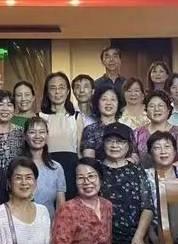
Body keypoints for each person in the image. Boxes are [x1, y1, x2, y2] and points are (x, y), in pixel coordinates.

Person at [40, 72, 83, 200]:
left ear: (68, 91)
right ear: (47, 92)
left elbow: (80, 151)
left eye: (61, 87)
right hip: (46, 166)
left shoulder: (76, 117)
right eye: (53, 88)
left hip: (71, 168)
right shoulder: (40, 117)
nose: (57, 92)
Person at [134, 90, 178, 169]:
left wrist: (160, 171)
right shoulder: (137, 133)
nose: (156, 109)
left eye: (160, 105)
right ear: (146, 111)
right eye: (152, 106)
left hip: (172, 175)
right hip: (143, 175)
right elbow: (134, 158)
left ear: (168, 110)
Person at [24, 116, 66, 219]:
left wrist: (57, 225)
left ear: (47, 135)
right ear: (24, 136)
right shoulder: (18, 166)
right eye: (32, 132)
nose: (37, 136)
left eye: (42, 132)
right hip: (23, 221)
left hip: (49, 221)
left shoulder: (56, 168)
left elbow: (60, 202)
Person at [81, 83, 132, 160]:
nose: (108, 103)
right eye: (104, 99)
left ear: (119, 104)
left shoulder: (127, 130)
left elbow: (134, 157)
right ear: (97, 103)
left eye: (113, 99)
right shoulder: (90, 130)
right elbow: (88, 160)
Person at [0, 90, 24, 169]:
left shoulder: (21, 132)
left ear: (14, 109)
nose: (5, 109)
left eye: (9, 105)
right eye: (0, 104)